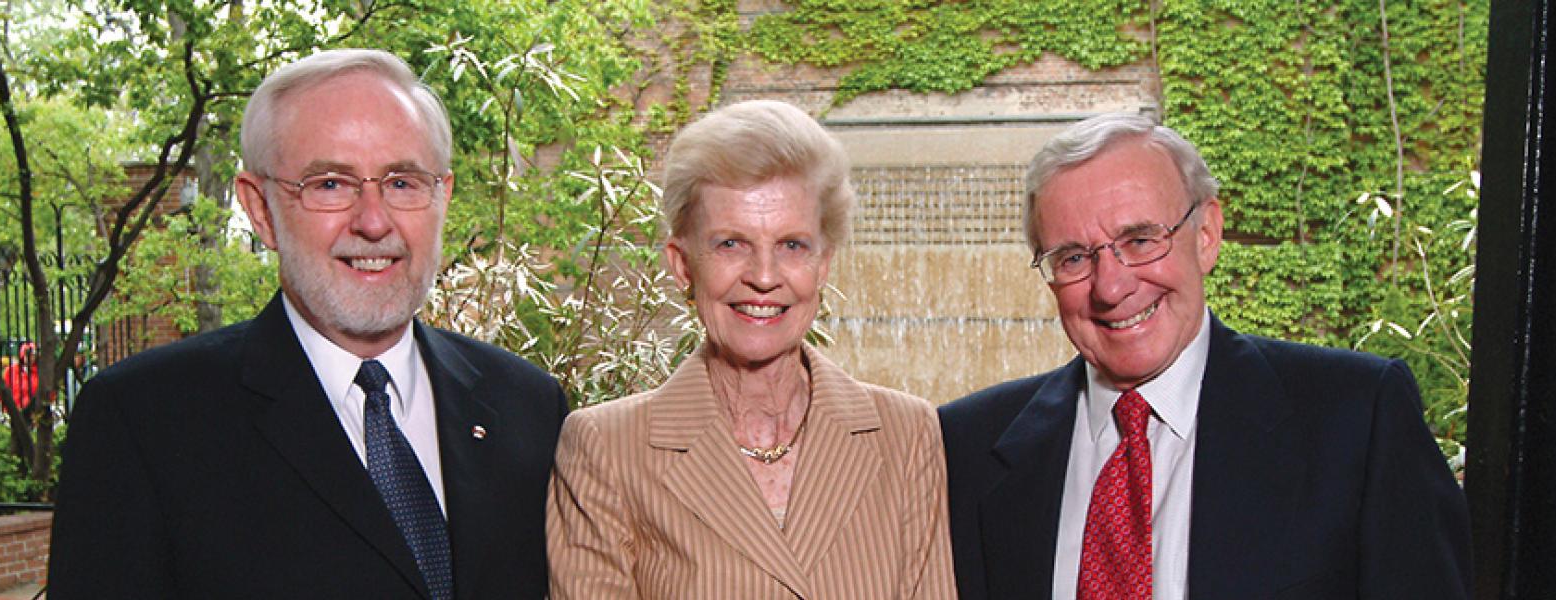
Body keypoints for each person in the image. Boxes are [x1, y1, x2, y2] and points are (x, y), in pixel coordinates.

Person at [49, 49, 568, 600]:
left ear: (443, 196)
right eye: (329, 184)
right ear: (261, 210)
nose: (373, 221)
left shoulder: (528, 408)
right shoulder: (144, 423)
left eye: (402, 183)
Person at [941, 113, 1471, 599]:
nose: (1112, 286)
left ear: (1207, 236)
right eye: (1074, 257)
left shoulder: (1356, 420)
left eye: (1141, 240)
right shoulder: (965, 445)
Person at [546, 100, 957, 598]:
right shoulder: (606, 449)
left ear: (823, 264)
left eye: (792, 246)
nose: (763, 277)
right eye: (731, 244)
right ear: (681, 265)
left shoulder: (907, 434)